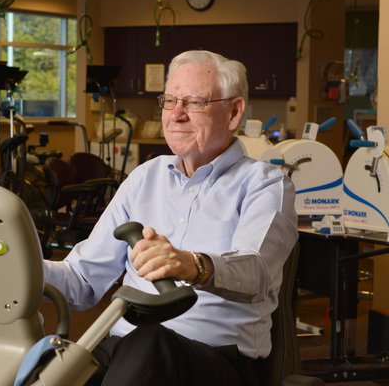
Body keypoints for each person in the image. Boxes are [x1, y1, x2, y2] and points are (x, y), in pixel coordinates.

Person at [43, 50, 298, 386]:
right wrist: (17, 266)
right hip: (122, 352)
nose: (176, 114)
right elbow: (82, 281)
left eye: (193, 102)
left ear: (234, 112)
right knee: (37, 361)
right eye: (170, 100)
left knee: (150, 341)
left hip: (214, 362)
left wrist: (192, 265)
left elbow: (256, 272)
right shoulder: (145, 177)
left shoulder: (265, 184)